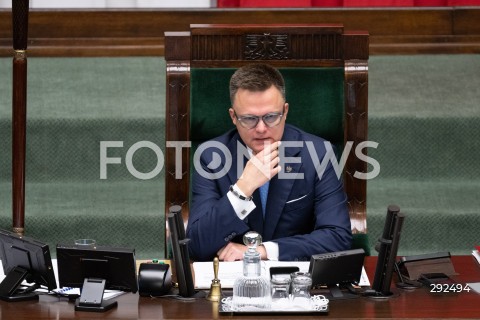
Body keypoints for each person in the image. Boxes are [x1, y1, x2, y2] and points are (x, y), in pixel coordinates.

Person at [186, 64, 352, 262]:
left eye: (271, 117)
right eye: (249, 119)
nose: (261, 128)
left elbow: (337, 237)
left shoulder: (319, 154)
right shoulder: (211, 157)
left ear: (285, 111)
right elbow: (195, 245)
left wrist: (263, 251)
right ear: (233, 117)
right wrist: (242, 189)